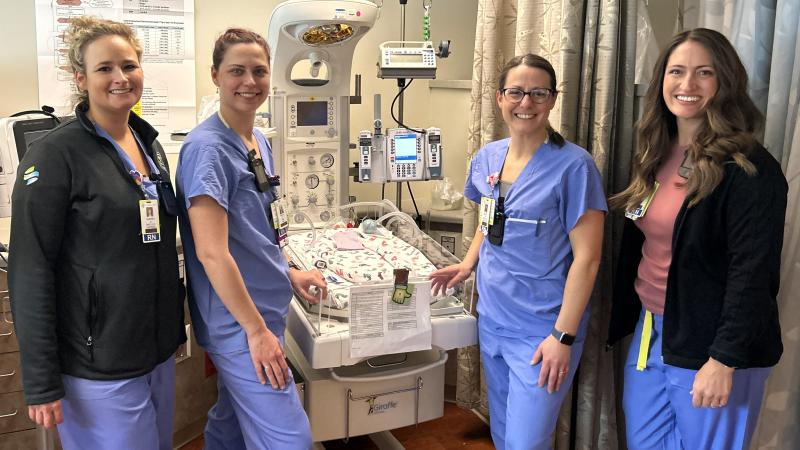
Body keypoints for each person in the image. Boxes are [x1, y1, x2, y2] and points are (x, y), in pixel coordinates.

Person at [8, 16, 185, 450]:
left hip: (154, 353)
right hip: (96, 364)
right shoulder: (53, 156)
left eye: (129, 65)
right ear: (81, 78)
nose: (120, 78)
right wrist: (42, 380)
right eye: (105, 68)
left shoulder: (149, 144)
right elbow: (29, 271)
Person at [607, 28, 787, 450]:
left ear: (725, 82)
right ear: (662, 81)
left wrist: (725, 358)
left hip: (714, 343)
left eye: (703, 73)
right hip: (651, 331)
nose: (687, 85)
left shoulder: (749, 169)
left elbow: (754, 273)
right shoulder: (656, 152)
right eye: (677, 71)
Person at [430, 54, 606, 449]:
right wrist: (467, 262)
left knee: (526, 442)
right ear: (499, 97)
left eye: (537, 93)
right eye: (516, 92)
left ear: (552, 99)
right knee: (504, 433)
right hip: (493, 319)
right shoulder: (488, 158)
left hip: (542, 329)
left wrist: (562, 336)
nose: (525, 103)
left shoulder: (575, 168)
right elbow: (489, 219)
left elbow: (588, 259)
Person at [176, 28, 327, 449]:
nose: (249, 82)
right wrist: (257, 332)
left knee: (232, 419)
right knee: (290, 438)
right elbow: (211, 253)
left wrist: (290, 272)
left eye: (259, 71)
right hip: (239, 322)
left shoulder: (256, 138)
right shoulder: (207, 149)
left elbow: (260, 227)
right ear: (215, 76)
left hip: (264, 307)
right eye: (236, 71)